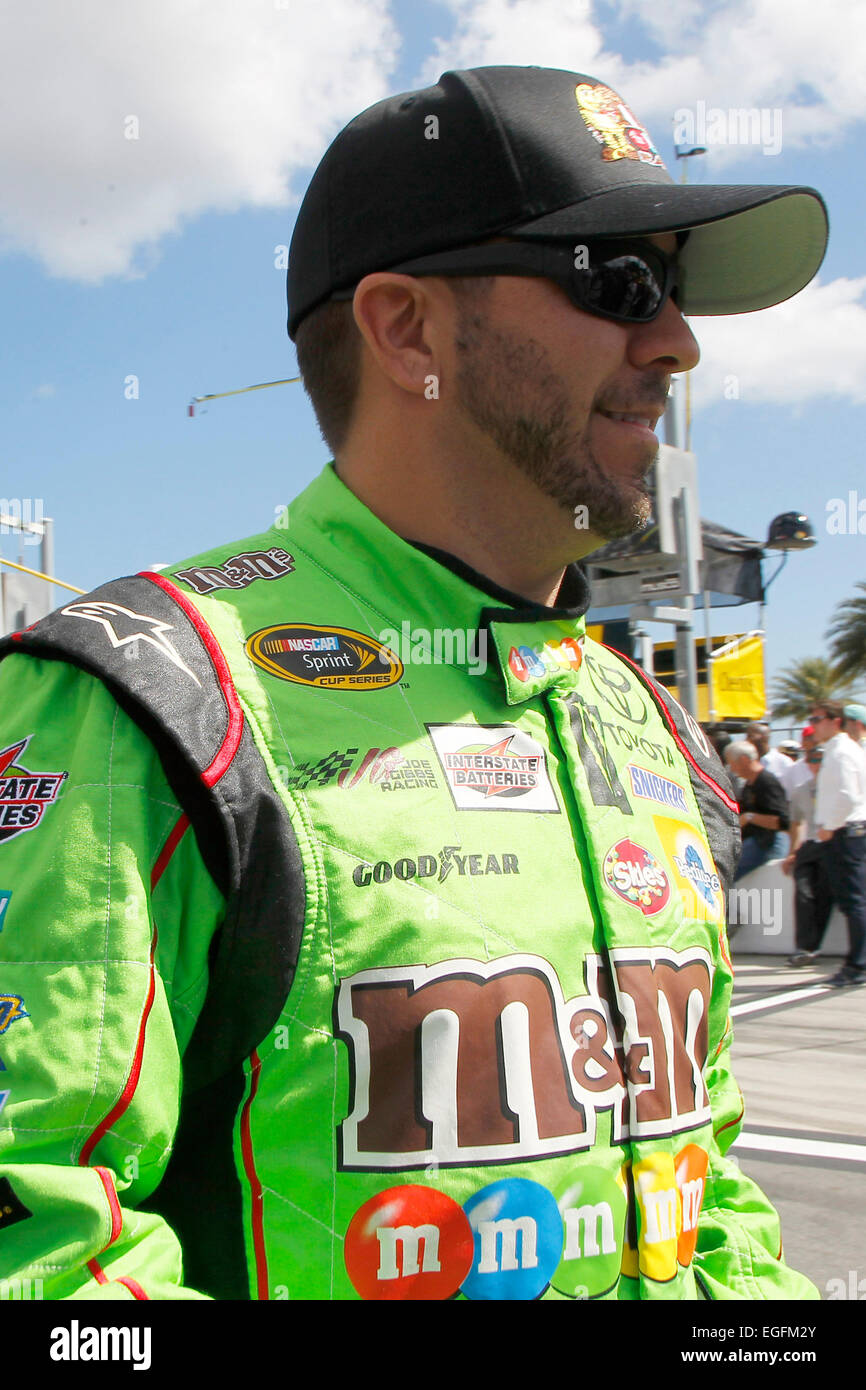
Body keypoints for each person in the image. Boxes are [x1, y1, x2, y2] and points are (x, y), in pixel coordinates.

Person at [0, 66, 827, 1302]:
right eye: (619, 281)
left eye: (674, 293)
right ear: (406, 331)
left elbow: (709, 1203)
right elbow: (43, 1260)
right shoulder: (145, 697)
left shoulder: (646, 721)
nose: (677, 343)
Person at [811, 702, 866, 987]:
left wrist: (828, 827)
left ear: (835, 721)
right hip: (846, 832)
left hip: (844, 833)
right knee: (854, 901)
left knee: (854, 901)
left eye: (817, 719)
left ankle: (858, 966)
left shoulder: (841, 752)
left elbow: (848, 796)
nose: (813, 724)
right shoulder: (840, 750)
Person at [782, 745, 834, 966]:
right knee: (803, 894)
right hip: (810, 845)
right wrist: (792, 852)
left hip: (832, 844)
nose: (816, 765)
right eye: (813, 760)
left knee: (824, 896)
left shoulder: (836, 789)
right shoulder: (801, 790)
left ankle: (812, 947)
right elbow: (796, 823)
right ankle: (803, 946)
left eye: (820, 760)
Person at [724, 740, 790, 881]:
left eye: (733, 764)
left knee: (727, 872)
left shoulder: (767, 782)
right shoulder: (749, 785)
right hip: (755, 842)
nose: (732, 769)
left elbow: (781, 821)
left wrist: (749, 817)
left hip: (768, 843)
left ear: (744, 760)